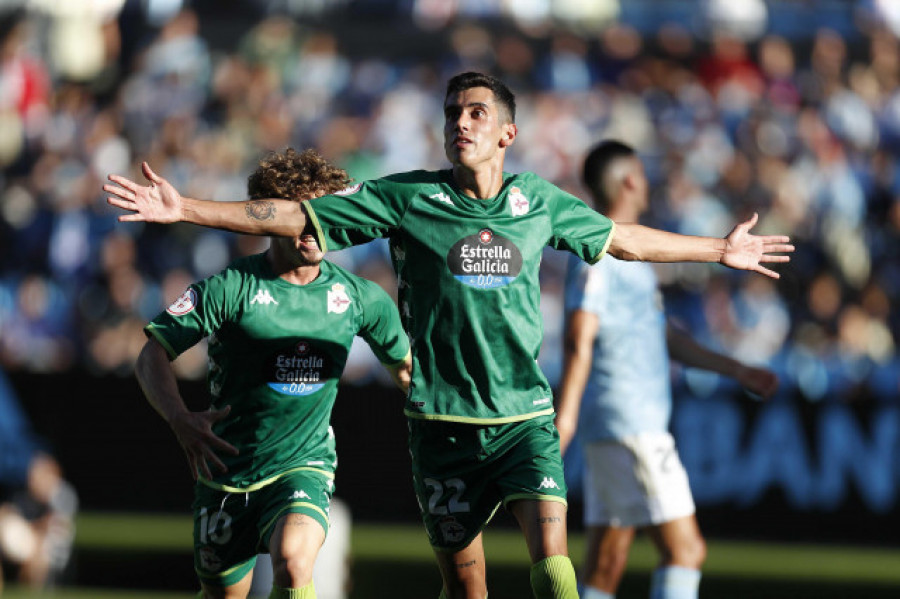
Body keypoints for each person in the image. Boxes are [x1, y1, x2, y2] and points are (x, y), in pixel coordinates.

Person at [105, 72, 793, 599]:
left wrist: (715, 248)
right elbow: (296, 217)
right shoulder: (407, 200)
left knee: (553, 566)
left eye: (475, 114)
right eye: (452, 115)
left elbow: (625, 240)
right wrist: (186, 206)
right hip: (442, 427)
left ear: (506, 134)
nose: (459, 124)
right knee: (468, 589)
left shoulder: (539, 204)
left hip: (524, 414)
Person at [132, 148, 412, 599]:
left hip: (304, 466)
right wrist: (180, 419)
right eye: (302, 214)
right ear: (273, 221)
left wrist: (446, 418)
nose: (317, 226)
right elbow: (152, 356)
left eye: (328, 212)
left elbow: (407, 371)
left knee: (294, 561)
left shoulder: (361, 298)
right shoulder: (231, 288)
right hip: (227, 470)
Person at [555, 140, 780, 599]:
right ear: (631, 180)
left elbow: (665, 337)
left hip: (617, 424)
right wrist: (567, 417)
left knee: (606, 565)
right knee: (685, 551)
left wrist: (736, 369)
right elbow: (579, 337)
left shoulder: (632, 252)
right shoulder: (600, 255)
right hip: (631, 422)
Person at [0, 367, 78, 591]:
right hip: (12, 491)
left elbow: (16, 435)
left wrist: (37, 464)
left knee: (61, 497)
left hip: (18, 490)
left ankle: (40, 560)